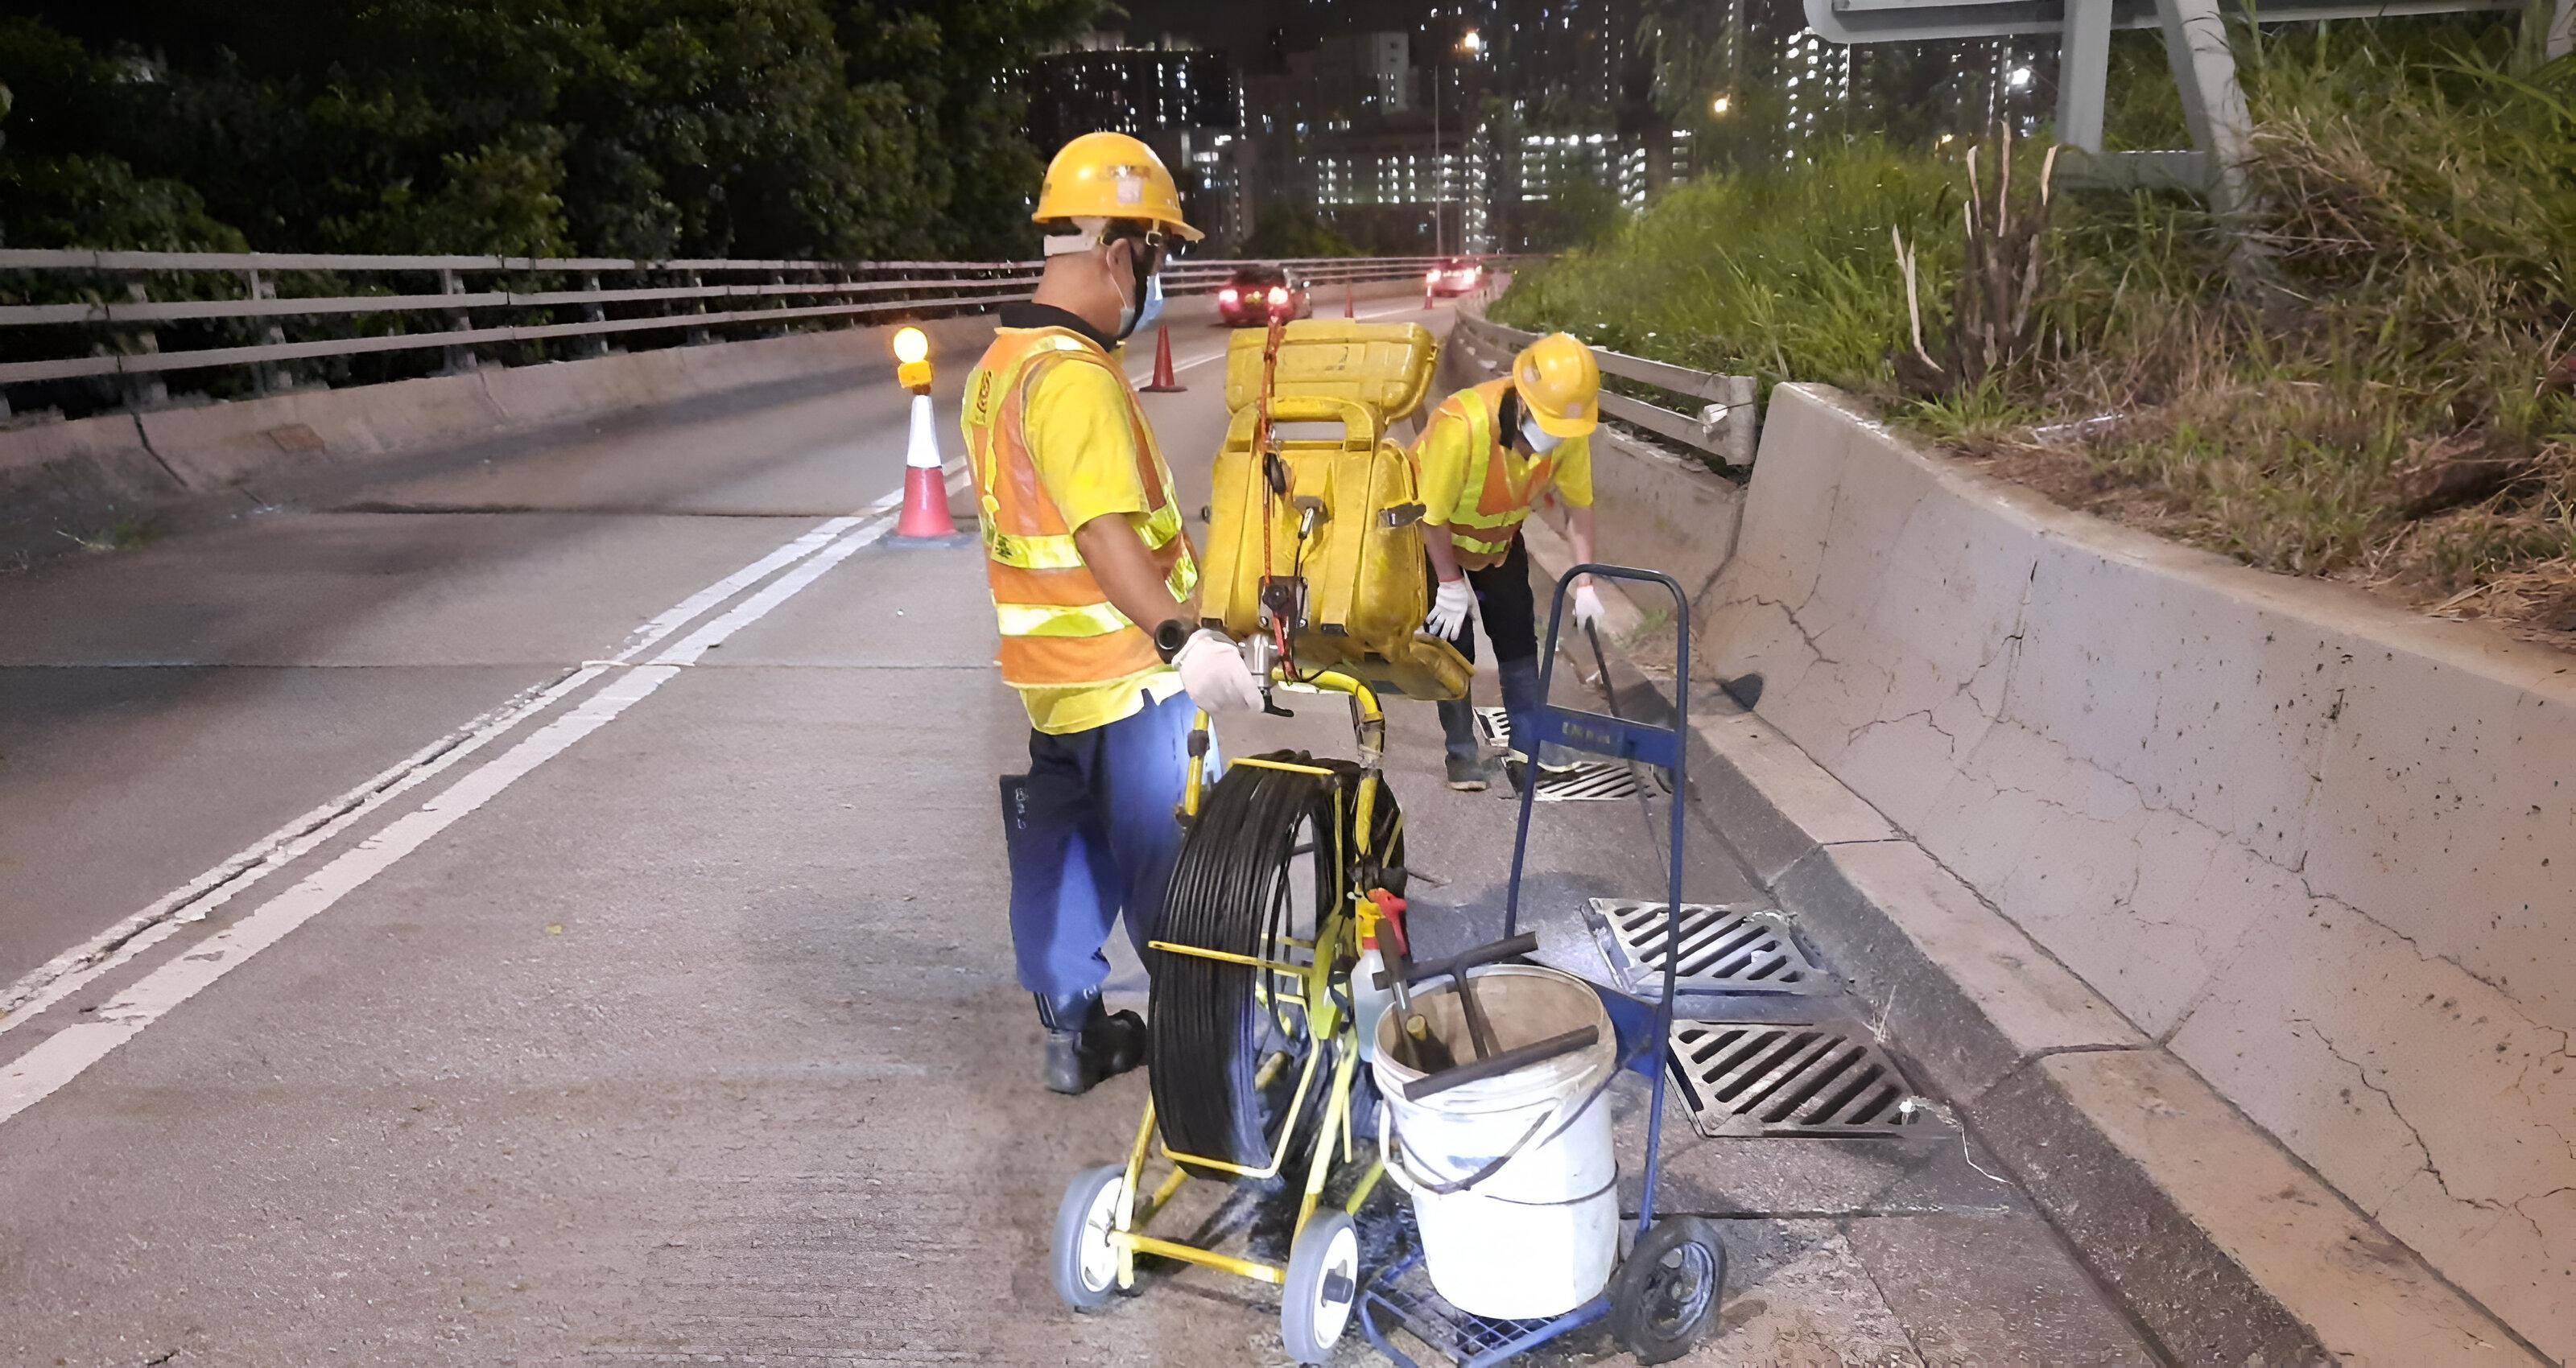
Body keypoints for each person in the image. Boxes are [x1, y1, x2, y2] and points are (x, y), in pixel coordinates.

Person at [962, 132, 1264, 1094]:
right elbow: (1101, 533)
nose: (1156, 282)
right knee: (1181, 871)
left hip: (1053, 685)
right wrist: (1186, 637)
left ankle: (1072, 1036)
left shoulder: (999, 367)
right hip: (1133, 679)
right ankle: (1214, 1067)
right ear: (1120, 250)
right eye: (1159, 256)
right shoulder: (1077, 381)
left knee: (1064, 853)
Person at [1413, 332, 1608, 793]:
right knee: (1453, 650)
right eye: (1549, 423)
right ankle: (1461, 754)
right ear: (1522, 399)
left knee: (1519, 643)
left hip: (1498, 544)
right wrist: (1449, 583)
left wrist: (1586, 584)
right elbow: (1431, 515)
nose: (1555, 438)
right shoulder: (1462, 426)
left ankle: (1527, 749)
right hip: (1431, 542)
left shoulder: (1567, 433)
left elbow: (1579, 509)